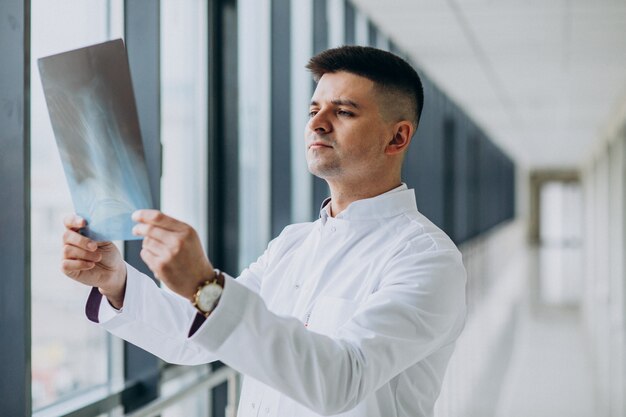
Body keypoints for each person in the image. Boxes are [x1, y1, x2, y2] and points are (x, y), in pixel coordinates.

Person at [61, 46, 466, 417]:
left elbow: (342, 381)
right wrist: (116, 282)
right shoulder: (294, 242)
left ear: (397, 137)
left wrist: (205, 284)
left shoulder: (426, 257)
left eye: (343, 112)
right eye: (313, 110)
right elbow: (197, 336)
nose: (318, 124)